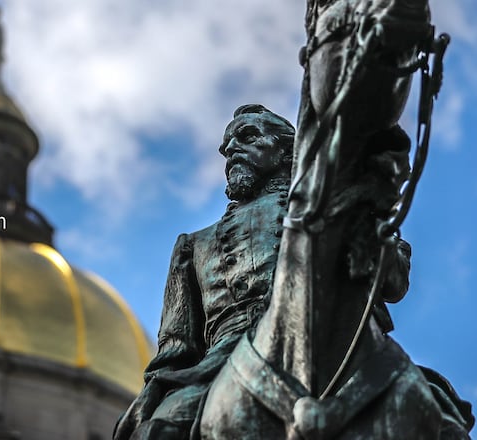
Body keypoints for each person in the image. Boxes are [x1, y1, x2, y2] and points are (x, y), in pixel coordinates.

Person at [113, 104, 413, 439]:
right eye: (226, 148)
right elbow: (176, 347)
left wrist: (371, 220)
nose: (231, 151)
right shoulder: (193, 246)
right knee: (161, 430)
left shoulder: (336, 207)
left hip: (334, 339)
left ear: (287, 150)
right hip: (226, 359)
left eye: (247, 136)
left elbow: (394, 283)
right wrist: (153, 397)